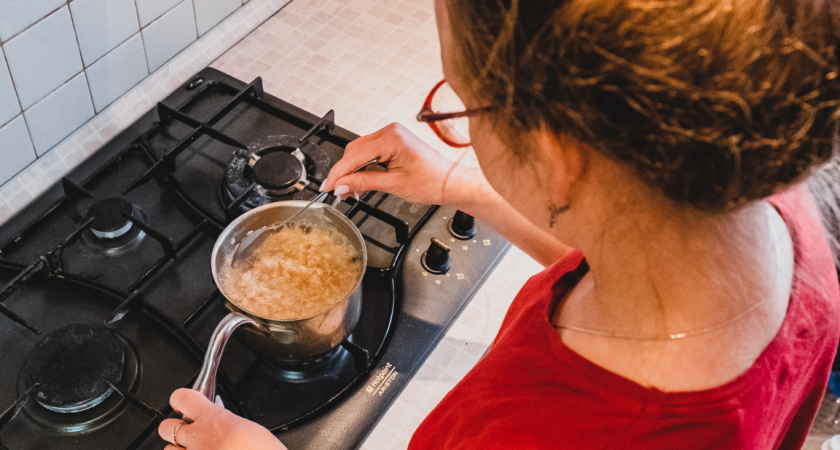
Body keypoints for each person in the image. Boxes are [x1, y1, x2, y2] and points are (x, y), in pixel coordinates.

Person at [158, 0, 840, 448]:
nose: (454, 118)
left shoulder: (538, 431)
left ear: (555, 155)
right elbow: (620, 254)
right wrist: (460, 185)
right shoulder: (774, 208)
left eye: (460, 100)